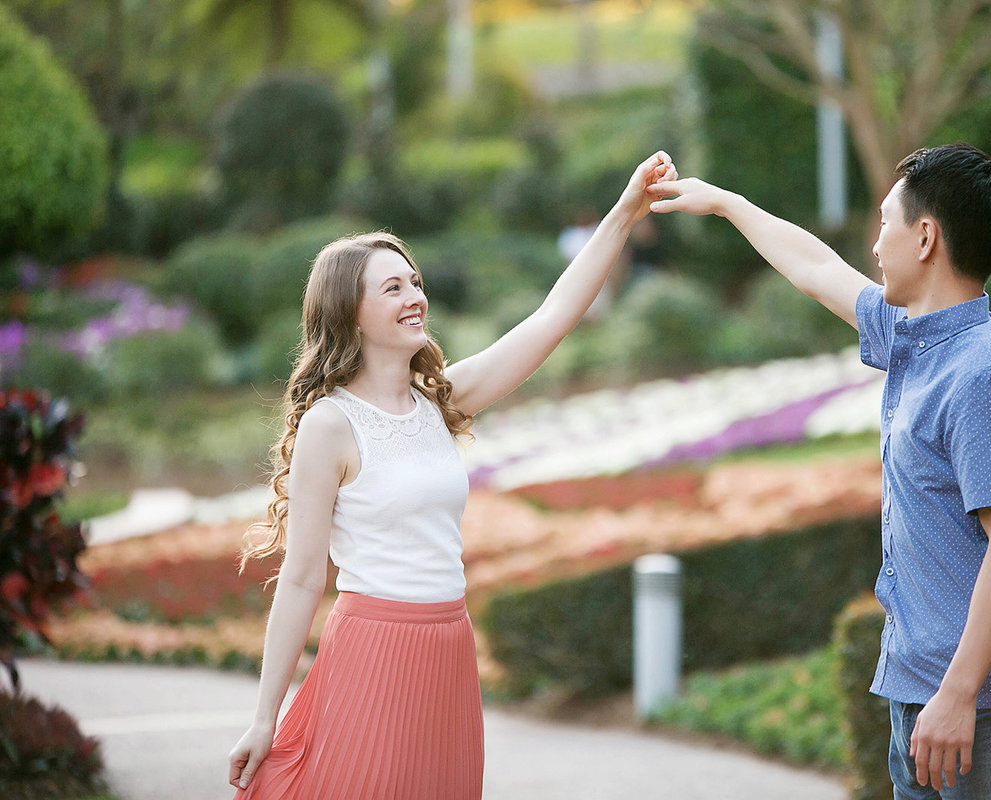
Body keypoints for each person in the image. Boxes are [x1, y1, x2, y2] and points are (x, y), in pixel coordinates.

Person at [227, 151, 676, 799]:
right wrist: (264, 718)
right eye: (392, 288)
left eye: (414, 282)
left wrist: (627, 209)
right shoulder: (331, 425)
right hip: (373, 652)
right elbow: (300, 579)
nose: (416, 298)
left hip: (448, 650)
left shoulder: (441, 399)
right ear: (349, 313)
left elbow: (553, 318)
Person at [648, 143, 991, 799]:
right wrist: (728, 205)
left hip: (989, 710)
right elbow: (817, 269)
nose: (875, 245)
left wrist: (958, 695)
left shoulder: (981, 374)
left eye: (884, 224)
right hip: (922, 694)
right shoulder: (915, 337)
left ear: (926, 236)